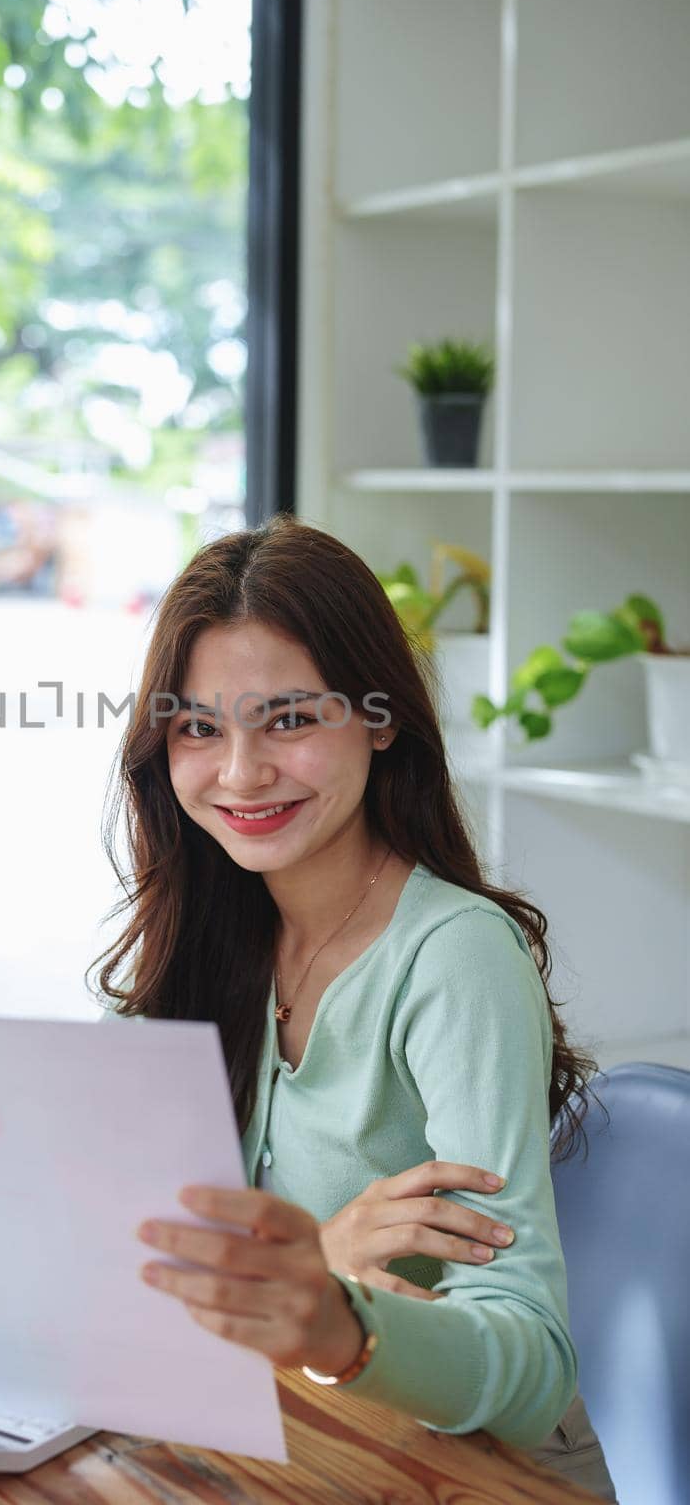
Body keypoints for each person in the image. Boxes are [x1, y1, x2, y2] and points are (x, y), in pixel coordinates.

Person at [92, 514, 619, 1501]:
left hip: (471, 1472)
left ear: (377, 719)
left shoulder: (452, 955)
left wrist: (335, 1321)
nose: (240, 771)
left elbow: (530, 1360)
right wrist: (315, 1262)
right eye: (200, 727)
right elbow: (123, 1258)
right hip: (279, 1438)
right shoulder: (199, 937)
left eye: (288, 718)